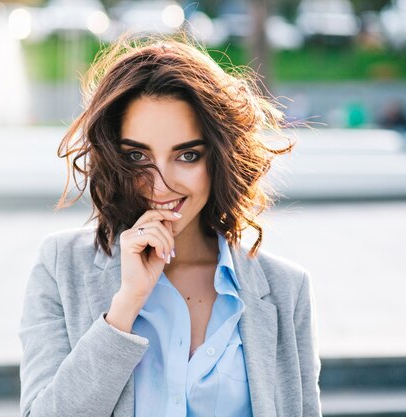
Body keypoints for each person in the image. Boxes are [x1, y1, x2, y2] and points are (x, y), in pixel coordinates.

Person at [19, 36, 321, 417]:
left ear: (220, 159)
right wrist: (125, 306)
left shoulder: (285, 289)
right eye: (137, 156)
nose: (161, 185)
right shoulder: (61, 266)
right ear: (112, 157)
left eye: (187, 155)